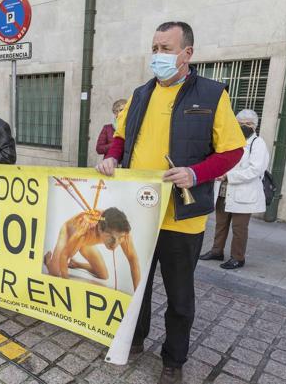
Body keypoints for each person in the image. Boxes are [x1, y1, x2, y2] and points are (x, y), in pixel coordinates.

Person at [96, 22, 245, 383]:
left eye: (165, 48)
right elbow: (119, 136)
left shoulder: (211, 94)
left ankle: (174, 359)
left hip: (182, 217)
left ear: (186, 54)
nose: (157, 55)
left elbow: (233, 150)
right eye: (155, 47)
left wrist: (195, 173)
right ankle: (134, 339)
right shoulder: (140, 93)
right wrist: (112, 158)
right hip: (139, 214)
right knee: (136, 285)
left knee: (180, 296)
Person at [200, 110, 270, 269]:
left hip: (243, 193)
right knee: (220, 224)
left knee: (239, 228)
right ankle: (216, 251)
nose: (245, 126)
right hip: (224, 192)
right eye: (241, 123)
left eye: (249, 124)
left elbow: (255, 170)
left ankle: (238, 257)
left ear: (255, 126)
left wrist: (228, 176)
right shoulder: (231, 141)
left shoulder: (257, 143)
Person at [44, 207, 140, 290]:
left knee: (104, 275)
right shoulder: (84, 231)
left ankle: (76, 264)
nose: (116, 243)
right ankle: (49, 262)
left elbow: (133, 259)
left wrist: (137, 294)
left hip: (87, 242)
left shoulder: (123, 232)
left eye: (120, 238)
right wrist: (67, 284)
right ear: (99, 229)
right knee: (55, 273)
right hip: (71, 233)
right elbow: (64, 256)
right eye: (112, 237)